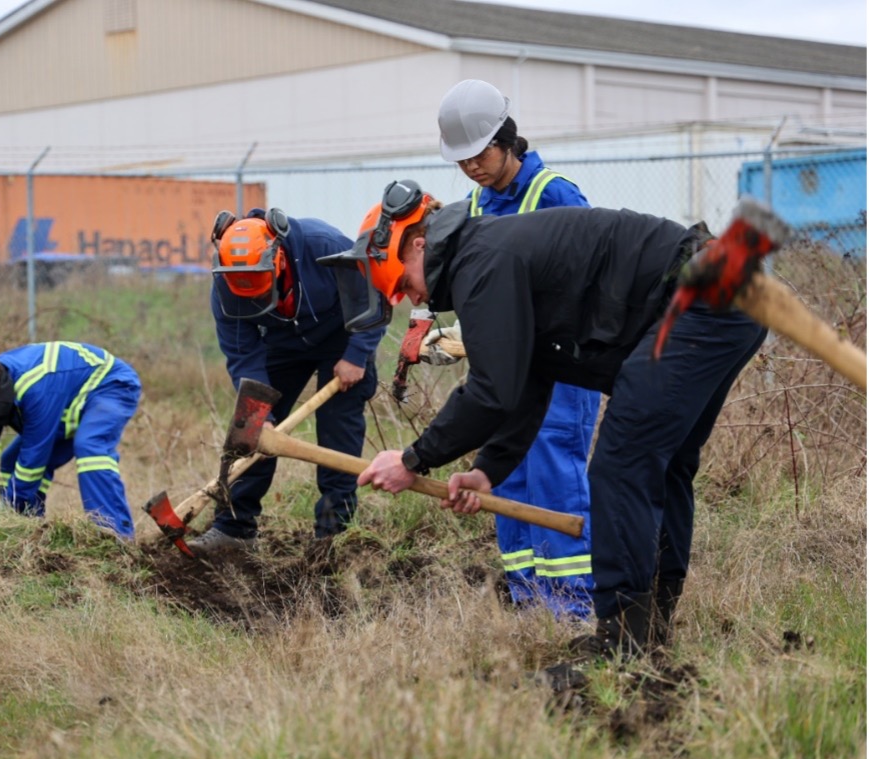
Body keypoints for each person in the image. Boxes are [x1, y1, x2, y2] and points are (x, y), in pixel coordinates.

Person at [322, 179, 765, 670]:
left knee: (622, 466)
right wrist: (488, 469)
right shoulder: (488, 253)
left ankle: (623, 643)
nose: (409, 299)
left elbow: (491, 390)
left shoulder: (481, 262)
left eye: (403, 283)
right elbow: (530, 374)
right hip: (726, 296)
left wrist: (413, 459)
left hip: (702, 295)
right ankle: (648, 631)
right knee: (662, 466)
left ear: (420, 246)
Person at [430, 78, 600, 619]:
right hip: (505, 369)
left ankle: (572, 605)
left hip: (562, 366)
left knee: (553, 474)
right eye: (462, 161)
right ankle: (527, 597)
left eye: (480, 155)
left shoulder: (554, 193)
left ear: (508, 140)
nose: (472, 168)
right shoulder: (475, 203)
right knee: (506, 474)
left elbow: (587, 282)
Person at [188, 207, 386, 555]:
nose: (250, 291)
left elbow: (372, 296)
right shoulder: (226, 281)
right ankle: (233, 530)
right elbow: (241, 351)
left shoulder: (324, 245)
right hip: (282, 340)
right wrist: (259, 411)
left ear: (277, 258)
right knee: (250, 427)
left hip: (341, 334)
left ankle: (333, 535)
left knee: (338, 429)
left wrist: (357, 354)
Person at [0, 342, 142, 539]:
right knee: (11, 460)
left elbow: (34, 457)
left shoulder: (36, 389)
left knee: (89, 445)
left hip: (110, 384)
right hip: (68, 400)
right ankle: (26, 534)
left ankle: (114, 535)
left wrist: (6, 510)